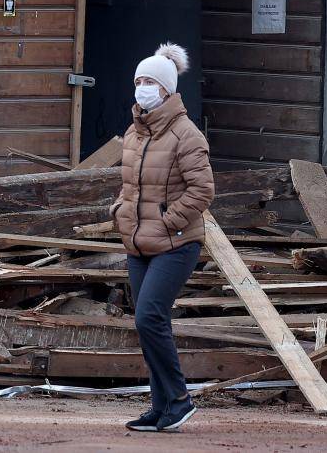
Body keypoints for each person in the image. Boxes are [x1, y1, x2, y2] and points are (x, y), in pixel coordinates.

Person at [111, 42, 215, 433]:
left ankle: (179, 400)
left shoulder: (186, 134)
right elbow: (131, 185)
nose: (142, 87)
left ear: (167, 89)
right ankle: (160, 407)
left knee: (149, 316)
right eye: (138, 80)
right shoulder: (136, 132)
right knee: (148, 322)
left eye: (150, 81)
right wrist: (120, 210)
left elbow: (203, 190)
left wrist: (170, 222)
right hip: (138, 244)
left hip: (176, 243)